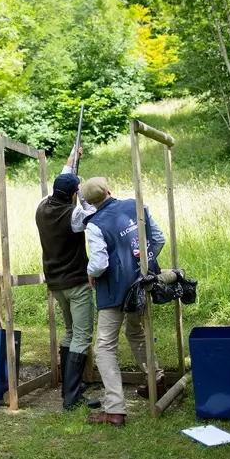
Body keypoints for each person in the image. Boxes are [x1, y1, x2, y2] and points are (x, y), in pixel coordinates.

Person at [82, 177, 166, 427]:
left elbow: (98, 264)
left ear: (89, 202)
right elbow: (158, 239)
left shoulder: (95, 224)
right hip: (141, 283)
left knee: (104, 347)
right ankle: (157, 381)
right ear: (109, 191)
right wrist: (141, 264)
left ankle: (115, 409)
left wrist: (90, 273)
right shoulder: (137, 206)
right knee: (135, 331)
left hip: (114, 291)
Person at [34, 146, 100, 411]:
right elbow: (92, 213)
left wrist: (73, 158)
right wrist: (82, 194)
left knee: (70, 333)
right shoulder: (74, 215)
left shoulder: (41, 207)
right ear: (74, 194)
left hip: (56, 284)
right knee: (82, 337)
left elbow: (61, 182)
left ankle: (69, 388)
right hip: (77, 284)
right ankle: (71, 397)